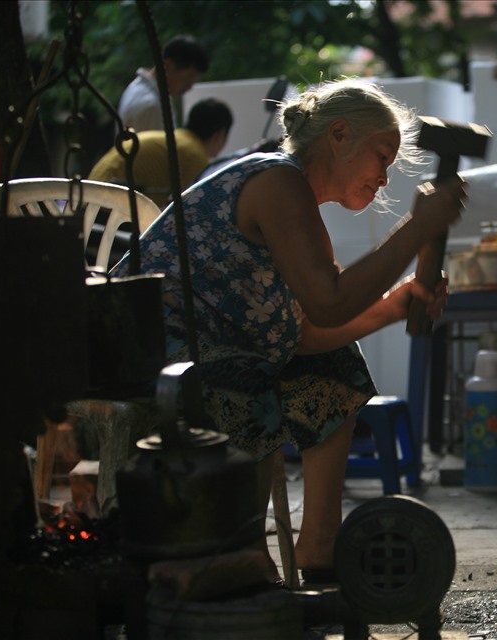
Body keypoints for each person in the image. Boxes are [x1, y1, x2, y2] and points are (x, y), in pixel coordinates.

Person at [110, 78, 466, 581]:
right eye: (381, 156)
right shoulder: (276, 181)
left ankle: (320, 550)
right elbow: (328, 302)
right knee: (247, 380)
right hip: (149, 347)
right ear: (338, 134)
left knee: (334, 368)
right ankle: (246, 561)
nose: (385, 177)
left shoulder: (299, 203)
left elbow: (304, 336)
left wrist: (392, 306)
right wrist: (418, 228)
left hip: (217, 346)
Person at [89, 97, 233, 208]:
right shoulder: (194, 156)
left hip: (91, 198)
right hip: (108, 209)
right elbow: (194, 208)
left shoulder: (176, 140)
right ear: (219, 134)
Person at [118, 34, 209, 133]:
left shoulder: (135, 88)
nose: (190, 87)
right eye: (188, 78)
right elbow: (158, 148)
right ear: (167, 66)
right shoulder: (152, 105)